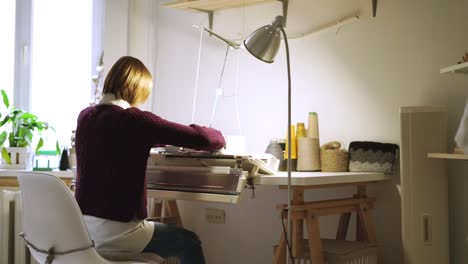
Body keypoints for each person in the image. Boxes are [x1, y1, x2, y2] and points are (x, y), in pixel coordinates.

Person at [74, 56, 225, 264]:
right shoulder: (135, 120)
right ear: (136, 89)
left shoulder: (85, 117)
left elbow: (115, 141)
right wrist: (221, 137)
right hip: (119, 235)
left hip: (84, 234)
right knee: (189, 241)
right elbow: (203, 139)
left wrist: (151, 139)